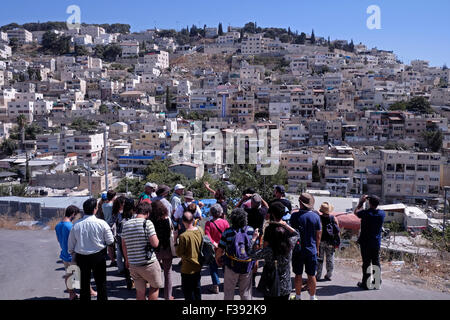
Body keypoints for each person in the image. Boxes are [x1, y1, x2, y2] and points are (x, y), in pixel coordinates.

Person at [249, 202, 299, 300]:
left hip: (269, 285)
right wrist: (285, 225)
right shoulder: (289, 246)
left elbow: (250, 254)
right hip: (285, 286)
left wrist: (254, 239)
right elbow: (296, 234)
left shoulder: (268, 251)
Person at [68, 198, 115, 301]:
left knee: (84, 285)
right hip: (98, 256)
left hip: (81, 257)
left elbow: (71, 245)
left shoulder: (76, 225)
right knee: (101, 284)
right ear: (95, 209)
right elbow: (110, 241)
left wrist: (73, 254)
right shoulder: (102, 223)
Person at [121, 202, 163, 300]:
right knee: (154, 287)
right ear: (148, 213)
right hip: (149, 263)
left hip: (134, 264)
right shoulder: (147, 223)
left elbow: (123, 245)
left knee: (140, 291)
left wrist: (127, 260)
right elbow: (155, 243)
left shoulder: (126, 224)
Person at [216, 208, 255, 300]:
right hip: (247, 265)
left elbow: (220, 249)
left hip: (231, 265)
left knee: (229, 292)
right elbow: (255, 248)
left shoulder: (227, 232)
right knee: (245, 292)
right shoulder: (250, 230)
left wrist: (218, 259)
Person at [290, 193, 322, 300]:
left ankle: (298, 297)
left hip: (297, 250)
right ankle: (312, 297)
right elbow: (318, 236)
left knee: (298, 275)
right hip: (311, 250)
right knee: (311, 275)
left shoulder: (294, 216)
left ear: (300, 203)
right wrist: (317, 249)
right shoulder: (316, 217)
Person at [353, 195, 385, 290]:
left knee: (366, 263)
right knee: (376, 262)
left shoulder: (365, 213)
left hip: (365, 243)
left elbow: (355, 212)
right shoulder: (381, 214)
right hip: (376, 243)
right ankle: (377, 282)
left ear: (369, 203)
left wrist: (361, 202)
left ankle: (366, 284)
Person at [175, 210, 204, 301]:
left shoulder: (183, 236)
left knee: (188, 294)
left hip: (187, 268)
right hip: (198, 265)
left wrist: (175, 240)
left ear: (183, 221)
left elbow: (178, 253)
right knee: (197, 290)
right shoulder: (200, 230)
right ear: (193, 220)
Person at [150, 200, 175, 300]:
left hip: (155, 249)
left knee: (154, 274)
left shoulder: (150, 221)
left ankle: (153, 295)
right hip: (166, 248)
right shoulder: (167, 219)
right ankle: (168, 296)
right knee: (168, 273)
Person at [55, 205, 80, 300]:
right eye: (76, 215)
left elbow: (58, 240)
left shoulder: (58, 225)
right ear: (73, 214)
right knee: (79, 275)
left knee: (68, 275)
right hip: (72, 254)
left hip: (64, 254)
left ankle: (72, 294)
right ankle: (89, 292)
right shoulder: (71, 226)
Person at [204, 204, 230, 294]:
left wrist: (215, 244)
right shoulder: (225, 222)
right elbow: (228, 234)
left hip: (213, 250)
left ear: (211, 212)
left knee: (213, 268)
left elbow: (207, 236)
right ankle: (227, 284)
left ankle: (216, 286)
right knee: (225, 267)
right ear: (220, 213)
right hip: (224, 249)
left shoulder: (209, 223)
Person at [316, 202, 340, 282]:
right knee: (330, 259)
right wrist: (337, 242)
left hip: (320, 241)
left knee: (320, 259)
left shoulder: (318, 218)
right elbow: (337, 231)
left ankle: (318, 275)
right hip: (330, 242)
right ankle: (329, 275)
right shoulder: (333, 218)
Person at [115, 197, 134, 290]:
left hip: (122, 241)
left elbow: (118, 228)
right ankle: (134, 279)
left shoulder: (121, 215)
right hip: (133, 242)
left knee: (126, 261)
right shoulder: (134, 216)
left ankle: (128, 281)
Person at [102, 190, 117, 267]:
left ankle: (112, 260)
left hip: (106, 224)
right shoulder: (113, 205)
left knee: (109, 244)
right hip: (113, 225)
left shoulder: (103, 205)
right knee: (116, 243)